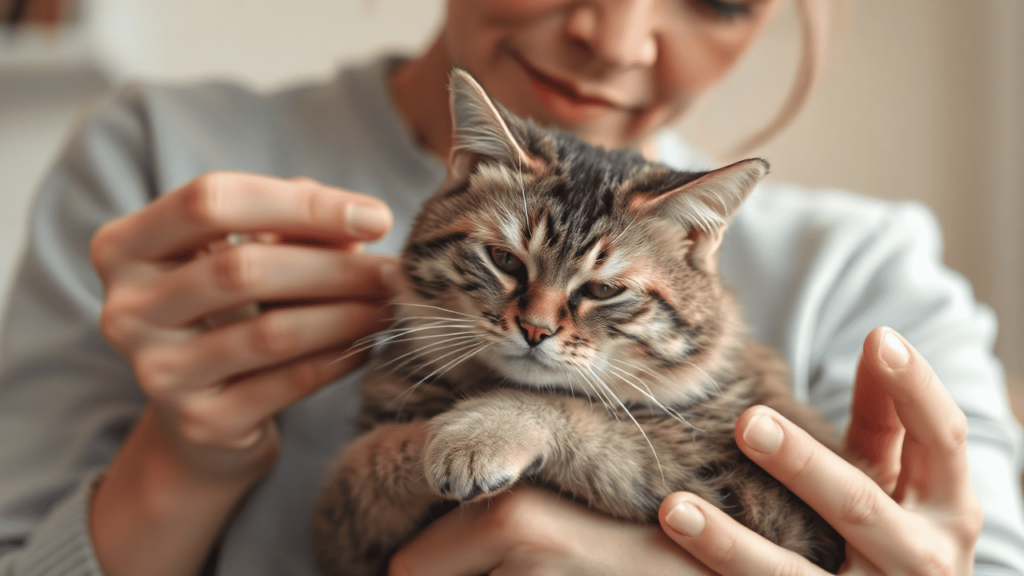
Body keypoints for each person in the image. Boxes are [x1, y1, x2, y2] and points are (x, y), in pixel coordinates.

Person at [1, 0, 1022, 574]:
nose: (616, 39)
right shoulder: (151, 153)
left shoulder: (869, 270)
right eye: (508, 270)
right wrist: (181, 458)